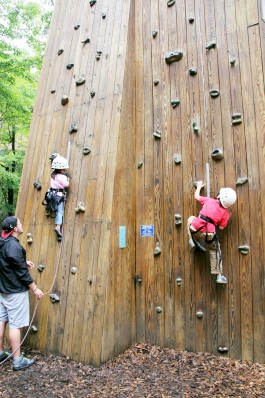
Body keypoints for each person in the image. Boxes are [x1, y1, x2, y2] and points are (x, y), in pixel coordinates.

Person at [0, 216, 44, 371]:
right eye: (19, 223)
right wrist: (35, 289)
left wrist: (22, 262)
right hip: (15, 292)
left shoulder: (2, 241)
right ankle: (17, 360)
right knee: (15, 325)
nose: (21, 224)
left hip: (3, 290)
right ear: (14, 229)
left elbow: (6, 260)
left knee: (1, 321)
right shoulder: (15, 247)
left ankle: (0, 353)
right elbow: (22, 275)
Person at [187, 181, 237, 284]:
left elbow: (196, 196)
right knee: (215, 250)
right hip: (209, 233)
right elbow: (222, 227)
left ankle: (192, 240)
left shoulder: (209, 200)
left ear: (219, 195)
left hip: (195, 228)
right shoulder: (226, 214)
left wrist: (199, 186)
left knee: (190, 219)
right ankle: (218, 275)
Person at [50, 156, 70, 238]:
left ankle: (48, 209)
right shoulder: (63, 177)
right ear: (60, 169)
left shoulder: (53, 176)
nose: (65, 170)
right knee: (59, 211)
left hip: (51, 195)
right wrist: (68, 180)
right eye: (64, 169)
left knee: (54, 208)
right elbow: (66, 185)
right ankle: (58, 226)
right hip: (59, 196)